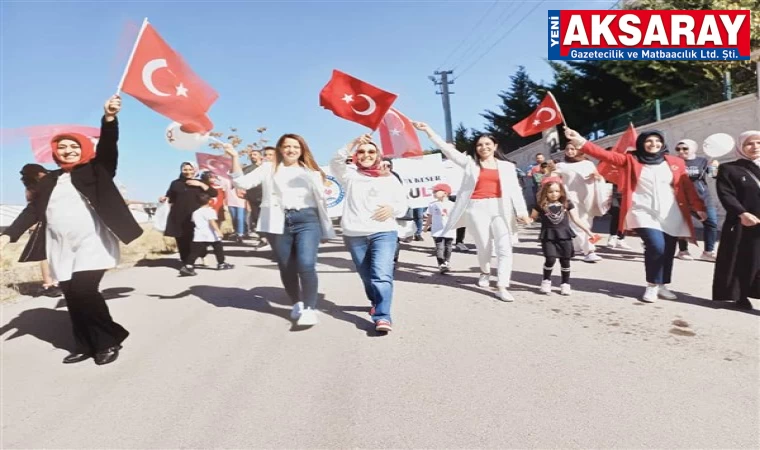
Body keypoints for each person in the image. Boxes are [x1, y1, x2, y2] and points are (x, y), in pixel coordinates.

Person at [1, 95, 140, 365]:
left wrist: (109, 119)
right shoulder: (50, 180)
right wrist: (8, 234)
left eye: (73, 146)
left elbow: (110, 148)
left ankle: (107, 340)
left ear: (83, 148)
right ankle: (85, 343)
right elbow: (33, 210)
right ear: (55, 152)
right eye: (61, 147)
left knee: (85, 291)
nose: (67, 150)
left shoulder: (97, 169)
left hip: (92, 242)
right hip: (60, 246)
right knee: (73, 295)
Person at [565, 128, 706, 303]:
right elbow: (605, 155)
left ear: (662, 143)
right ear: (641, 143)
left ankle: (662, 284)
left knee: (668, 250)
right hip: (642, 210)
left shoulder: (675, 162)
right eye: (649, 141)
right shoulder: (631, 159)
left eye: (657, 141)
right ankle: (652, 286)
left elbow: (686, 186)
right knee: (656, 246)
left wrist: (699, 207)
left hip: (671, 212)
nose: (653, 144)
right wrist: (579, 140)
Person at [224, 136, 335, 327]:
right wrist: (234, 157)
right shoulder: (268, 168)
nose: (291, 150)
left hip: (307, 219)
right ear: (280, 149)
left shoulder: (311, 171)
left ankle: (309, 308)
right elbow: (241, 183)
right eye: (287, 147)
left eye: (295, 146)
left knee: (306, 263)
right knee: (286, 265)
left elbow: (326, 196)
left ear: (302, 149)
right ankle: (297, 303)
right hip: (278, 221)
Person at [414, 121, 530, 302]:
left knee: (504, 248)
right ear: (476, 148)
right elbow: (447, 149)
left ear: (495, 146)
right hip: (477, 208)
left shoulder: (507, 166)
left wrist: (522, 211)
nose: (483, 147)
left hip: (501, 208)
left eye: (487, 144)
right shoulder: (469, 163)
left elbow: (515, 189)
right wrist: (428, 130)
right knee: (484, 246)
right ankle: (485, 272)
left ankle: (502, 285)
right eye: (479, 145)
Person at [330, 135, 408, 332]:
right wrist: (353, 142)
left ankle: (383, 316)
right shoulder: (350, 176)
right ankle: (376, 302)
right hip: (355, 233)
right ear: (356, 155)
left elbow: (403, 204)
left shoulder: (389, 178)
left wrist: (393, 209)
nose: (366, 155)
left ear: (378, 156)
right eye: (362, 152)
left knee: (381, 275)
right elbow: (336, 161)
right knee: (367, 277)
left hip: (384, 232)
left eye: (371, 152)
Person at [712, 131, 760, 310]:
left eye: (758, 142)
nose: (755, 147)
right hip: (744, 222)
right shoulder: (729, 168)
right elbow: (726, 193)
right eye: (749, 143)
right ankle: (740, 295)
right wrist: (741, 213)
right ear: (741, 146)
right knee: (744, 259)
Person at [531, 181, 595, 296]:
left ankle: (565, 284)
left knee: (565, 261)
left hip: (564, 236)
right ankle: (546, 281)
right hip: (548, 236)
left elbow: (576, 219)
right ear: (545, 192)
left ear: (561, 192)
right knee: (550, 259)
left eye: (557, 191)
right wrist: (524, 220)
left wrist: (588, 231)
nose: (554, 194)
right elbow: (532, 218)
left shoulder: (567, 204)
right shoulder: (540, 205)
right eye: (550, 192)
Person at [160, 162, 218, 267]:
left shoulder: (200, 182)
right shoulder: (175, 183)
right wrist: (164, 198)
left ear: (195, 170)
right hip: (179, 215)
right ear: (181, 171)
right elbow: (170, 196)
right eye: (185, 170)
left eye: (190, 170)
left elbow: (214, 193)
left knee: (197, 239)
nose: (188, 172)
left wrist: (200, 184)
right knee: (182, 239)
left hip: (196, 216)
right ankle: (186, 262)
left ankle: (203, 255)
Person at [555, 142, 604, 262]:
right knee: (576, 223)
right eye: (567, 149)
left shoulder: (588, 164)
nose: (570, 151)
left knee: (587, 223)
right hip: (570, 197)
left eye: (573, 149)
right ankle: (589, 251)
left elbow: (599, 178)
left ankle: (576, 246)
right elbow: (552, 177)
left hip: (588, 198)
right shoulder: (561, 165)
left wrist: (597, 177)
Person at [19, 163, 61, 297]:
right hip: (49, 221)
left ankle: (50, 284)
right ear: (39, 173)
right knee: (50, 253)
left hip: (41, 223)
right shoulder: (54, 180)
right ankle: (55, 282)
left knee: (45, 255)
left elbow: (31, 204)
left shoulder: (31, 188)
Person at [674, 139, 719, 261]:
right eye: (678, 149)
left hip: (702, 197)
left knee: (711, 222)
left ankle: (708, 252)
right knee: (682, 224)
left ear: (692, 148)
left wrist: (714, 167)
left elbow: (713, 175)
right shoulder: (674, 162)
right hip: (681, 198)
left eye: (685, 148)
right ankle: (683, 251)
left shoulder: (702, 161)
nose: (681, 151)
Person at [180, 192, 234, 276]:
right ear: (210, 201)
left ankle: (188, 266)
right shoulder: (210, 211)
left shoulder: (195, 212)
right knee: (218, 249)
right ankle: (221, 264)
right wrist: (218, 231)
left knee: (194, 252)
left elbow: (194, 222)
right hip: (211, 234)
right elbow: (212, 222)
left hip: (199, 235)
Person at [424, 183, 456, 273]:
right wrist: (426, 226)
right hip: (437, 230)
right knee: (439, 247)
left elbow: (457, 217)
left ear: (445, 193)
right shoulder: (432, 205)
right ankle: (441, 264)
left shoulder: (453, 205)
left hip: (450, 229)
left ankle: (447, 261)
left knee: (448, 246)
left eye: (436, 191)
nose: (434, 193)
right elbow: (429, 216)